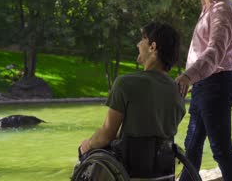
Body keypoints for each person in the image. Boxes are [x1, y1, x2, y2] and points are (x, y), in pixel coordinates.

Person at [79, 22, 185, 178]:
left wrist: (86, 146)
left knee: (87, 152)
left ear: (152, 47)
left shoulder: (126, 83)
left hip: (128, 172)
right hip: (163, 172)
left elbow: (106, 135)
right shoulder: (177, 91)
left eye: (143, 39)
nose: (137, 44)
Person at [175, 0, 232, 181]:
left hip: (216, 83)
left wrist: (187, 76)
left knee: (221, 150)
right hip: (205, 83)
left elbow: (215, 52)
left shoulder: (221, 10)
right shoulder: (209, 7)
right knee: (192, 145)